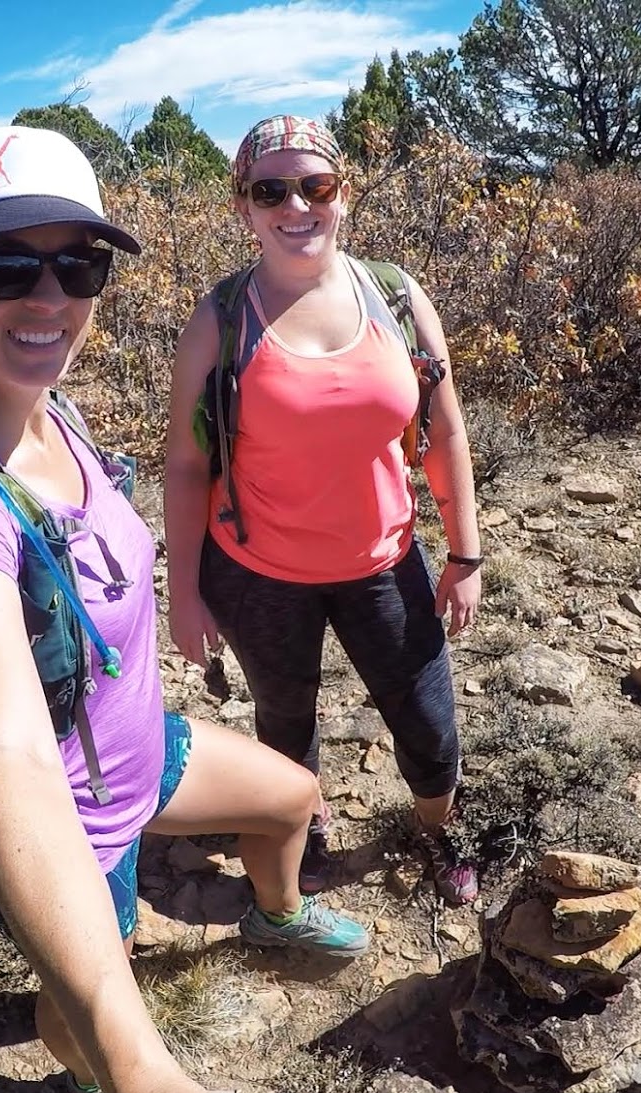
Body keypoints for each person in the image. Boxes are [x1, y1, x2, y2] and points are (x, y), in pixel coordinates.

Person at [0, 125, 369, 1093]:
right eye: (7, 266)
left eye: (80, 264)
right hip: (70, 818)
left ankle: (275, 911)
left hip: (144, 748)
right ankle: (107, 1073)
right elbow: (9, 756)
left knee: (291, 797)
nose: (49, 296)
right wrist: (148, 1075)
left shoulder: (49, 410)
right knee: (78, 1011)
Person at [163, 115, 486, 906]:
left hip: (383, 559)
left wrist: (465, 553)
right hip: (256, 570)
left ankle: (438, 833)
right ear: (243, 206)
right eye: (270, 189)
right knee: (285, 718)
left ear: (343, 195)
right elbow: (185, 463)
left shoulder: (398, 299)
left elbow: (444, 430)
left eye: (316, 185)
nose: (295, 205)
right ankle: (304, 828)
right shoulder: (220, 318)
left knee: (427, 723)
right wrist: (184, 592)